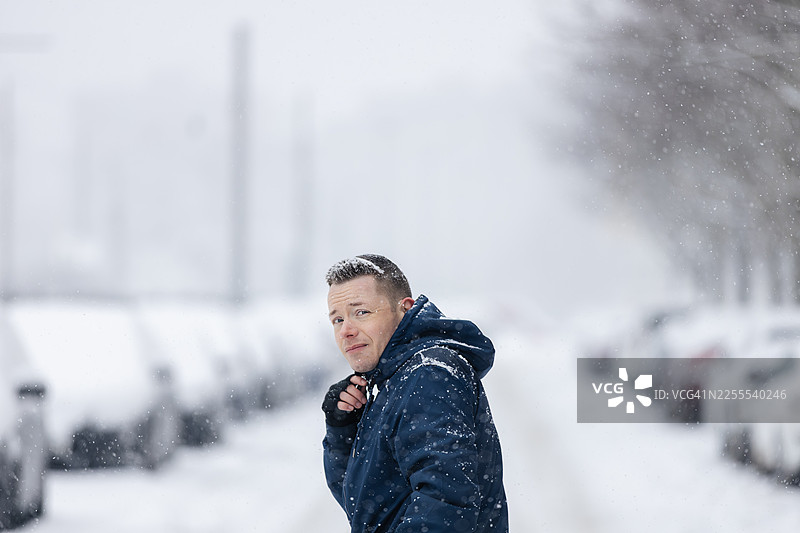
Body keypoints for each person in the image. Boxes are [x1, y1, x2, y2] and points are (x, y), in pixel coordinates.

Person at [321, 254, 508, 533]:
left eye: (361, 312)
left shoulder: (429, 374)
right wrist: (343, 430)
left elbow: (445, 501)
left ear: (404, 309)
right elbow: (365, 508)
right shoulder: (394, 378)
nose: (346, 331)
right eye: (337, 319)